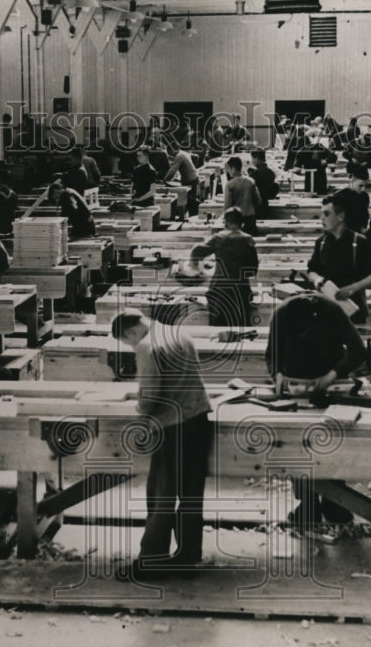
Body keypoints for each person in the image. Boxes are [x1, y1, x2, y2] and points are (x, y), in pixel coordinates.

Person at [110, 310, 211, 580]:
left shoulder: (146, 346)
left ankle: (152, 562)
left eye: (128, 343)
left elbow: (150, 397)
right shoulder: (179, 332)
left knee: (161, 494)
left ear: (131, 333)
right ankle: (188, 556)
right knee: (191, 494)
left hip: (172, 426)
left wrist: (139, 409)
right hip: (199, 419)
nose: (132, 346)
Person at [265, 293, 366, 526]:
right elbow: (271, 354)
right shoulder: (281, 315)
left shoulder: (332, 311)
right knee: (299, 442)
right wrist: (277, 374)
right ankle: (307, 505)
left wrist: (333, 374)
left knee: (333, 438)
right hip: (296, 382)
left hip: (329, 379)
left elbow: (358, 350)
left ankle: (335, 501)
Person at [306, 192, 371, 321]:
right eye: (321, 214)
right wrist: (318, 280)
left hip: (353, 313)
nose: (322, 218)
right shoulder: (321, 243)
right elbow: (311, 271)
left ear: (341, 216)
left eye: (327, 214)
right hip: (326, 312)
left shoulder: (359, 242)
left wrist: (352, 289)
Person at [188, 208, 259, 327]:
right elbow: (252, 271)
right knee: (241, 330)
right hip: (241, 293)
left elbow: (196, 250)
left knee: (217, 331)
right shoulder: (248, 240)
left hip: (219, 293)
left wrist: (194, 267)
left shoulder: (219, 238)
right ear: (242, 223)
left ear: (225, 223)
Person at [223, 155, 261, 236]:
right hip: (250, 218)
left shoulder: (229, 184)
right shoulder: (251, 181)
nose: (228, 172)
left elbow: (227, 205)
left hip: (236, 220)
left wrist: (225, 220)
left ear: (233, 168)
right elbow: (258, 200)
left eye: (229, 169)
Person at [330, 163, 370, 234]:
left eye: (366, 186)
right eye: (360, 186)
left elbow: (364, 218)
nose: (363, 189)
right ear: (352, 180)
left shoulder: (364, 196)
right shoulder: (339, 197)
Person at [163, 146, 201, 219]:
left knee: (191, 202)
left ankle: (193, 217)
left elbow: (172, 170)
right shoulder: (183, 153)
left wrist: (164, 180)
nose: (171, 155)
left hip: (190, 180)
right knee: (192, 200)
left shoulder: (179, 156)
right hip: (192, 178)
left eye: (170, 153)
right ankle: (193, 216)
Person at [247, 148, 279, 220]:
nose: (252, 161)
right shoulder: (271, 173)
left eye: (252, 158)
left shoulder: (254, 174)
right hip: (265, 205)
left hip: (255, 207)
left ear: (257, 159)